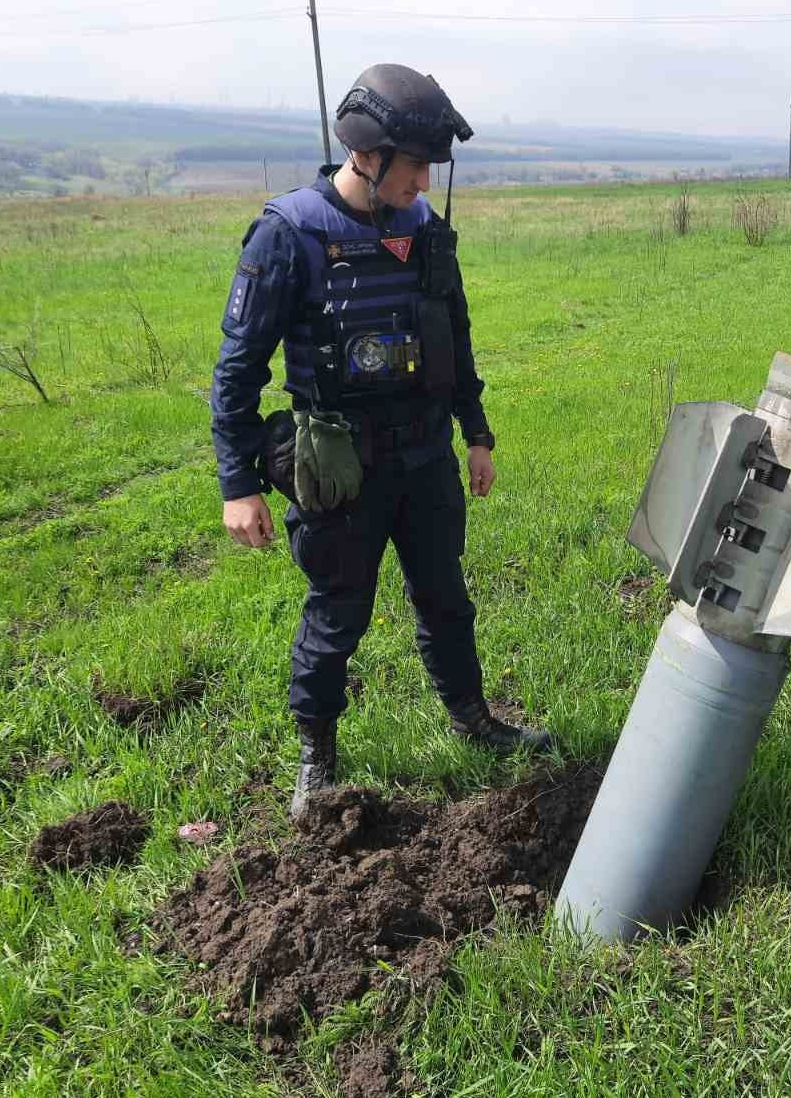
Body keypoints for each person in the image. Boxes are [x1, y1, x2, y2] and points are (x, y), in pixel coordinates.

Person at [210, 64, 553, 817]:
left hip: (426, 455)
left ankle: (473, 718)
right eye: (415, 165)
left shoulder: (424, 231)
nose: (425, 183)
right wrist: (237, 484)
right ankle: (317, 756)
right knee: (339, 611)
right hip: (340, 466)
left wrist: (477, 435)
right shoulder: (289, 233)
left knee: (446, 599)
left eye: (432, 167)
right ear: (366, 154)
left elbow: (454, 338)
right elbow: (237, 368)